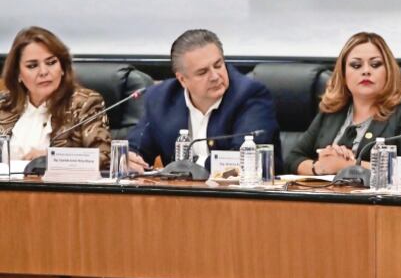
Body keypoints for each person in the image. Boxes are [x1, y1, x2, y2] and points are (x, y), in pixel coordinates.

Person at [126, 29, 280, 173]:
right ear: (182, 80)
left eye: (218, 65)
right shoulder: (161, 99)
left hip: (244, 198)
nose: (215, 76)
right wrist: (131, 159)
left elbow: (243, 159)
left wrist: (187, 168)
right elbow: (137, 148)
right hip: (179, 198)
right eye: (203, 72)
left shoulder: (250, 95)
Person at [286, 31, 401, 175]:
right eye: (356, 65)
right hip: (328, 195)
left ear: (389, 71)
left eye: (375, 64)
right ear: (343, 73)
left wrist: (350, 165)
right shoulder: (333, 110)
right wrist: (319, 167)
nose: (366, 71)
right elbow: (293, 159)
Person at [0, 26, 111, 166]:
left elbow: (105, 157)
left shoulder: (85, 103)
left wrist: (52, 158)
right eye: (32, 66)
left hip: (59, 187)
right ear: (18, 74)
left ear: (63, 67)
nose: (44, 72)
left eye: (51, 63)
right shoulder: (3, 104)